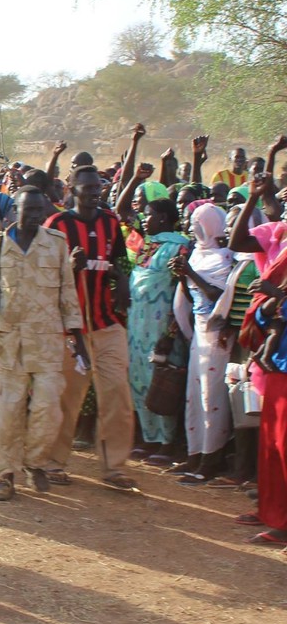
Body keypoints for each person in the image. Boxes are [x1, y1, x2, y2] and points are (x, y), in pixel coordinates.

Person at [0, 187, 88, 501]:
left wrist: (77, 337)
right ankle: (4, 475)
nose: (36, 217)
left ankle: (35, 462)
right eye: (30, 210)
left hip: (48, 342)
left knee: (48, 409)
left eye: (40, 211)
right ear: (15, 209)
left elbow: (68, 292)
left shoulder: (55, 244)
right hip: (10, 341)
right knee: (8, 412)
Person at [44, 165, 138, 490]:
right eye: (87, 187)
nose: (94, 192)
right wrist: (69, 268)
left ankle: (114, 467)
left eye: (97, 187)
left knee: (117, 394)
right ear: (70, 187)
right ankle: (52, 463)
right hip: (71, 328)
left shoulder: (110, 221)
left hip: (106, 322)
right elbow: (45, 277)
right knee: (67, 397)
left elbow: (119, 262)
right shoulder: (56, 225)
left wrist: (122, 280)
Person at [170, 202, 236, 481]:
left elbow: (216, 297)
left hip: (217, 337)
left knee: (213, 398)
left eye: (199, 226)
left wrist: (189, 274)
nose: (194, 230)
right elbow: (190, 293)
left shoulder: (225, 258)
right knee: (194, 397)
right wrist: (182, 276)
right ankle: (194, 454)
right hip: (199, 333)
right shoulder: (198, 254)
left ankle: (211, 461)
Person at [125, 198, 190, 463]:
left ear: (163, 217)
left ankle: (167, 441)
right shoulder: (147, 245)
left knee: (162, 382)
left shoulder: (180, 247)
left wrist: (171, 332)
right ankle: (149, 437)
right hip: (137, 328)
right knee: (139, 381)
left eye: (149, 214)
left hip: (162, 328)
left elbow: (182, 294)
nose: (144, 218)